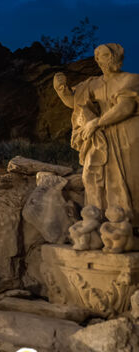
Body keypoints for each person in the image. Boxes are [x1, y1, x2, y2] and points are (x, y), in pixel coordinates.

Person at [53, 43, 139, 220]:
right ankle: (98, 219)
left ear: (116, 57)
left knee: (129, 179)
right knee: (94, 174)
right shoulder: (94, 83)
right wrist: (61, 89)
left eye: (105, 55)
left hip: (126, 135)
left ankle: (129, 223)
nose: (101, 60)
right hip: (102, 137)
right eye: (98, 56)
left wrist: (96, 123)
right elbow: (75, 102)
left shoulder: (131, 79)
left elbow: (126, 107)